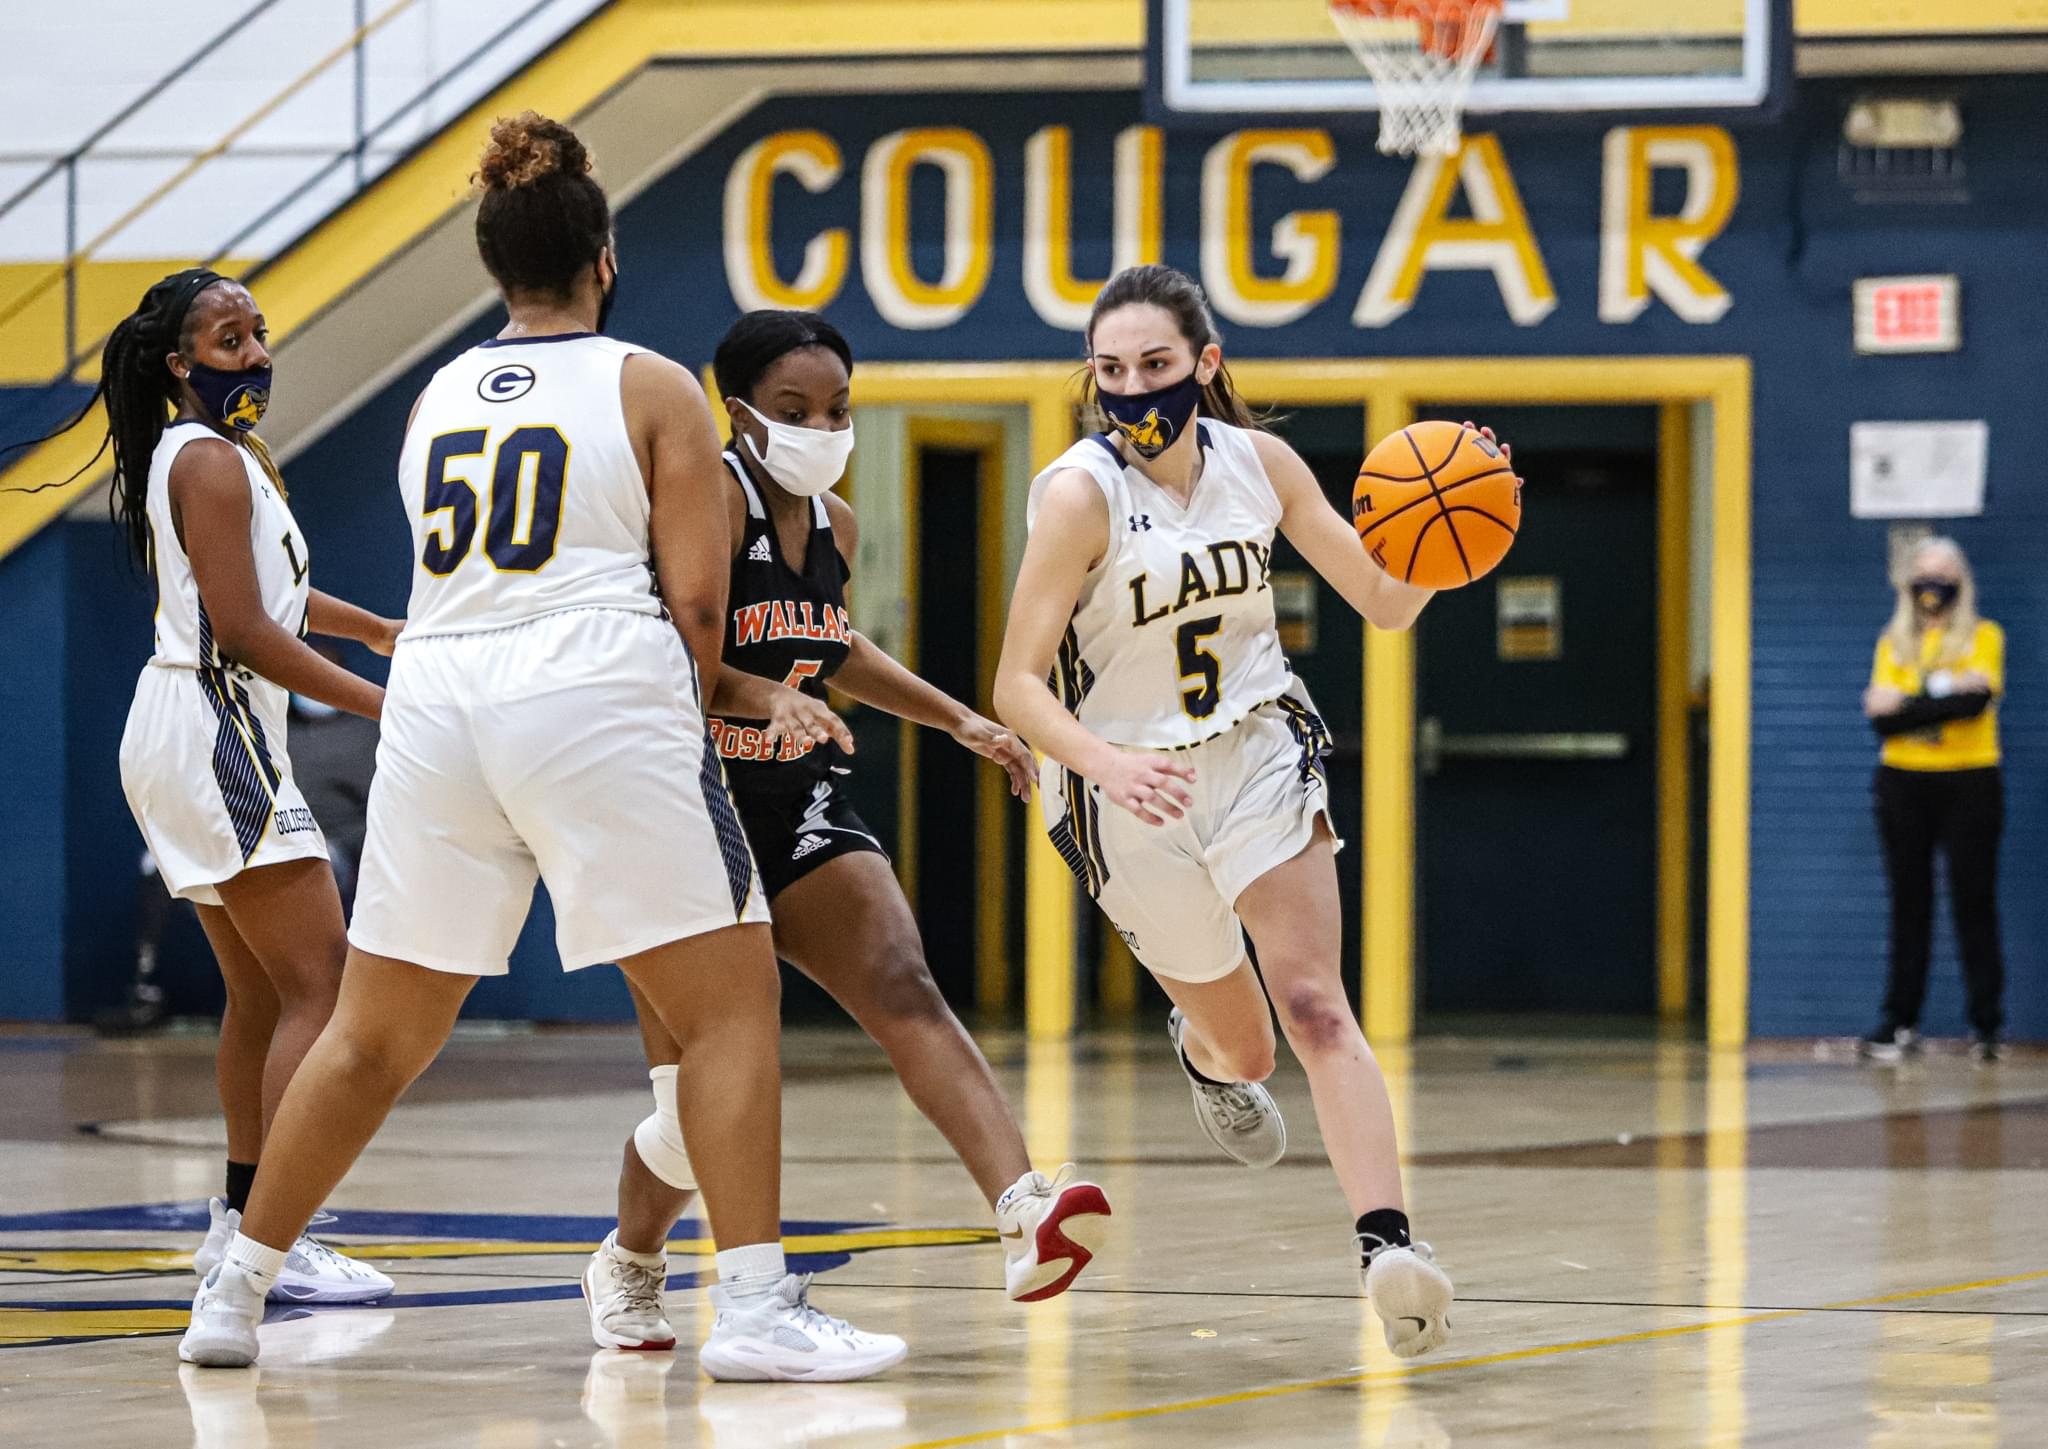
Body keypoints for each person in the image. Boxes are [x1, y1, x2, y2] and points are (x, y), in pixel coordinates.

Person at [178, 112, 903, 1381]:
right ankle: (754, 1311)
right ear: (603, 259)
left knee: (372, 1031)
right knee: (733, 1005)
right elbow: (692, 608)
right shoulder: (649, 384)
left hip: (444, 697)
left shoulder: (439, 392)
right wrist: (703, 724)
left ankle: (235, 1291)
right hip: (595, 679)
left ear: (494, 264)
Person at [583, 310, 1109, 1354]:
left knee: (904, 983)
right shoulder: (697, 506)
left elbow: (833, 644)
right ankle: (627, 1262)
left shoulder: (836, 524)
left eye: (836, 409)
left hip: (800, 798)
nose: (821, 427)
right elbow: (661, 662)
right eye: (793, 411)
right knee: (693, 1115)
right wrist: (756, 699)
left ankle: (1021, 1208)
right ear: (733, 414)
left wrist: (958, 716)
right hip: (681, 807)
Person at [992, 264, 1472, 1359]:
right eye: (1109, 371)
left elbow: (1387, 604)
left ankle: (1388, 1246)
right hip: (1126, 787)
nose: (1132, 389)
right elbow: (1015, 685)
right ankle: (1206, 1056)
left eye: (1155, 365)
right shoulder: (1076, 495)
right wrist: (1102, 763)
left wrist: (1456, 536)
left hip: (1254, 751)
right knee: (1249, 1049)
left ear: (1204, 364)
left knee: (1312, 1004)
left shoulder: (1258, 464)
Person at [6, 267, 399, 1303]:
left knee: (265, 996)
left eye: (259, 333)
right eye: (231, 340)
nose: (258, 353)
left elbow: (278, 595)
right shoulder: (211, 463)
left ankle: (236, 1223)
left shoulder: (212, 456)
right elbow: (245, 631)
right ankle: (278, 1233)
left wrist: (377, 631)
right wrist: (380, 704)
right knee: (326, 986)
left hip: (186, 726)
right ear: (180, 363)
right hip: (216, 723)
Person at [1860, 536, 2006, 1062]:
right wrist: (1945, 693)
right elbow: (1882, 720)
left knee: (1974, 900)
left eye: (1943, 572)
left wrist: (1910, 701)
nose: (1932, 583)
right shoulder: (1891, 643)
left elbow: (1974, 704)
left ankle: (1986, 1025)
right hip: (1903, 782)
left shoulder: (1985, 637)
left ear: (1961, 581)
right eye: (1923, 572)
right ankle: (1900, 1021)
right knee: (1909, 903)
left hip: (1971, 781)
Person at [286, 642, 381, 914]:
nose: (312, 689)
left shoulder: (368, 733)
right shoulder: (274, 730)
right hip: (285, 840)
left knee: (319, 866)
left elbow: (385, 810)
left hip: (347, 850)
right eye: (305, 679)